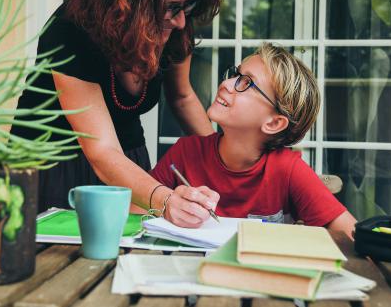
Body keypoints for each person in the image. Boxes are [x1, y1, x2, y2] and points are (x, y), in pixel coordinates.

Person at [11, 0, 223, 226]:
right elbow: (100, 149)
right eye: (171, 7)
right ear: (129, 0)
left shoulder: (175, 27)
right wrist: (165, 199)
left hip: (127, 160)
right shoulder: (70, 30)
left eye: (186, 5)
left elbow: (182, 96)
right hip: (51, 165)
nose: (181, 21)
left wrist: (222, 161)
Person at [150, 43, 357, 239]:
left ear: (274, 123)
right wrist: (167, 205)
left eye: (247, 83)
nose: (226, 84)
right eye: (235, 75)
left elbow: (350, 233)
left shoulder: (288, 169)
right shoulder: (186, 152)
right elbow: (134, 210)